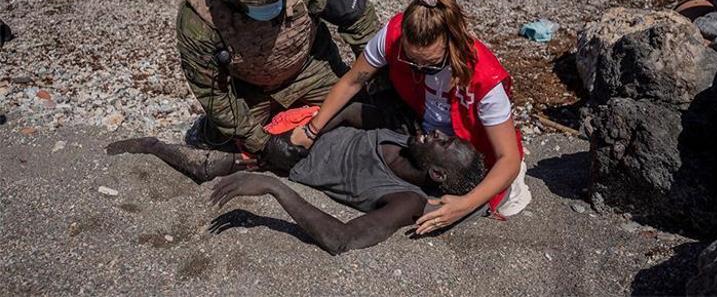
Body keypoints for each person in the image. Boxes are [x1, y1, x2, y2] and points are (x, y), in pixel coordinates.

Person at [290, 0, 530, 233]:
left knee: (467, 201)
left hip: (466, 148)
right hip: (418, 124)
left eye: (430, 63)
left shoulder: (484, 78)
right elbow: (352, 81)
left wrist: (465, 204)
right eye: (411, 60)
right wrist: (311, 130)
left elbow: (508, 159)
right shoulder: (392, 34)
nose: (419, 68)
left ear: (452, 42)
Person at [106, 119, 487, 254]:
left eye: (446, 144)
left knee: (209, 166)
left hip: (281, 162)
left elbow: (343, 240)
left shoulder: (406, 200)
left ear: (437, 175)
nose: (439, 134)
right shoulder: (403, 134)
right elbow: (351, 109)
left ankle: (151, 146)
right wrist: (307, 129)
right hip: (299, 126)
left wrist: (274, 187)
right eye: (447, 136)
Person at [175, 0, 380, 155]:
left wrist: (377, 79)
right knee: (230, 146)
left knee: (365, 113)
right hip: (249, 89)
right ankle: (206, 131)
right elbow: (213, 93)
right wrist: (263, 143)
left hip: (311, 69)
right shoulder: (199, 18)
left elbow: (359, 18)